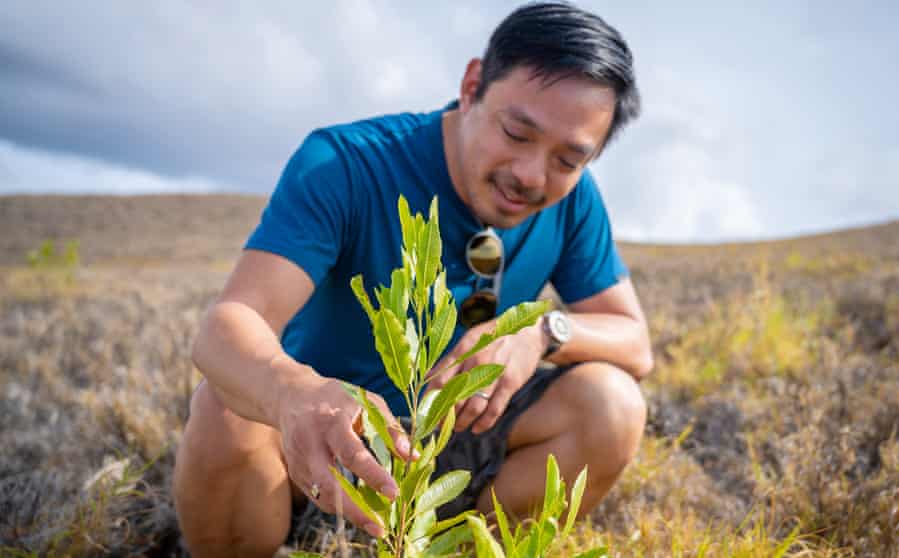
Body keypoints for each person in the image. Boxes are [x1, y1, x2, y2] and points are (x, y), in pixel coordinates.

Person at [172, 2, 653, 556]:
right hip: (322, 438)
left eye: (568, 160)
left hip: (452, 443)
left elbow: (635, 343)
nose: (531, 175)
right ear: (473, 84)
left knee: (612, 404)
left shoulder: (573, 204)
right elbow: (229, 325)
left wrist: (541, 331)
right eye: (517, 132)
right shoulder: (345, 164)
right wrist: (292, 393)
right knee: (225, 404)